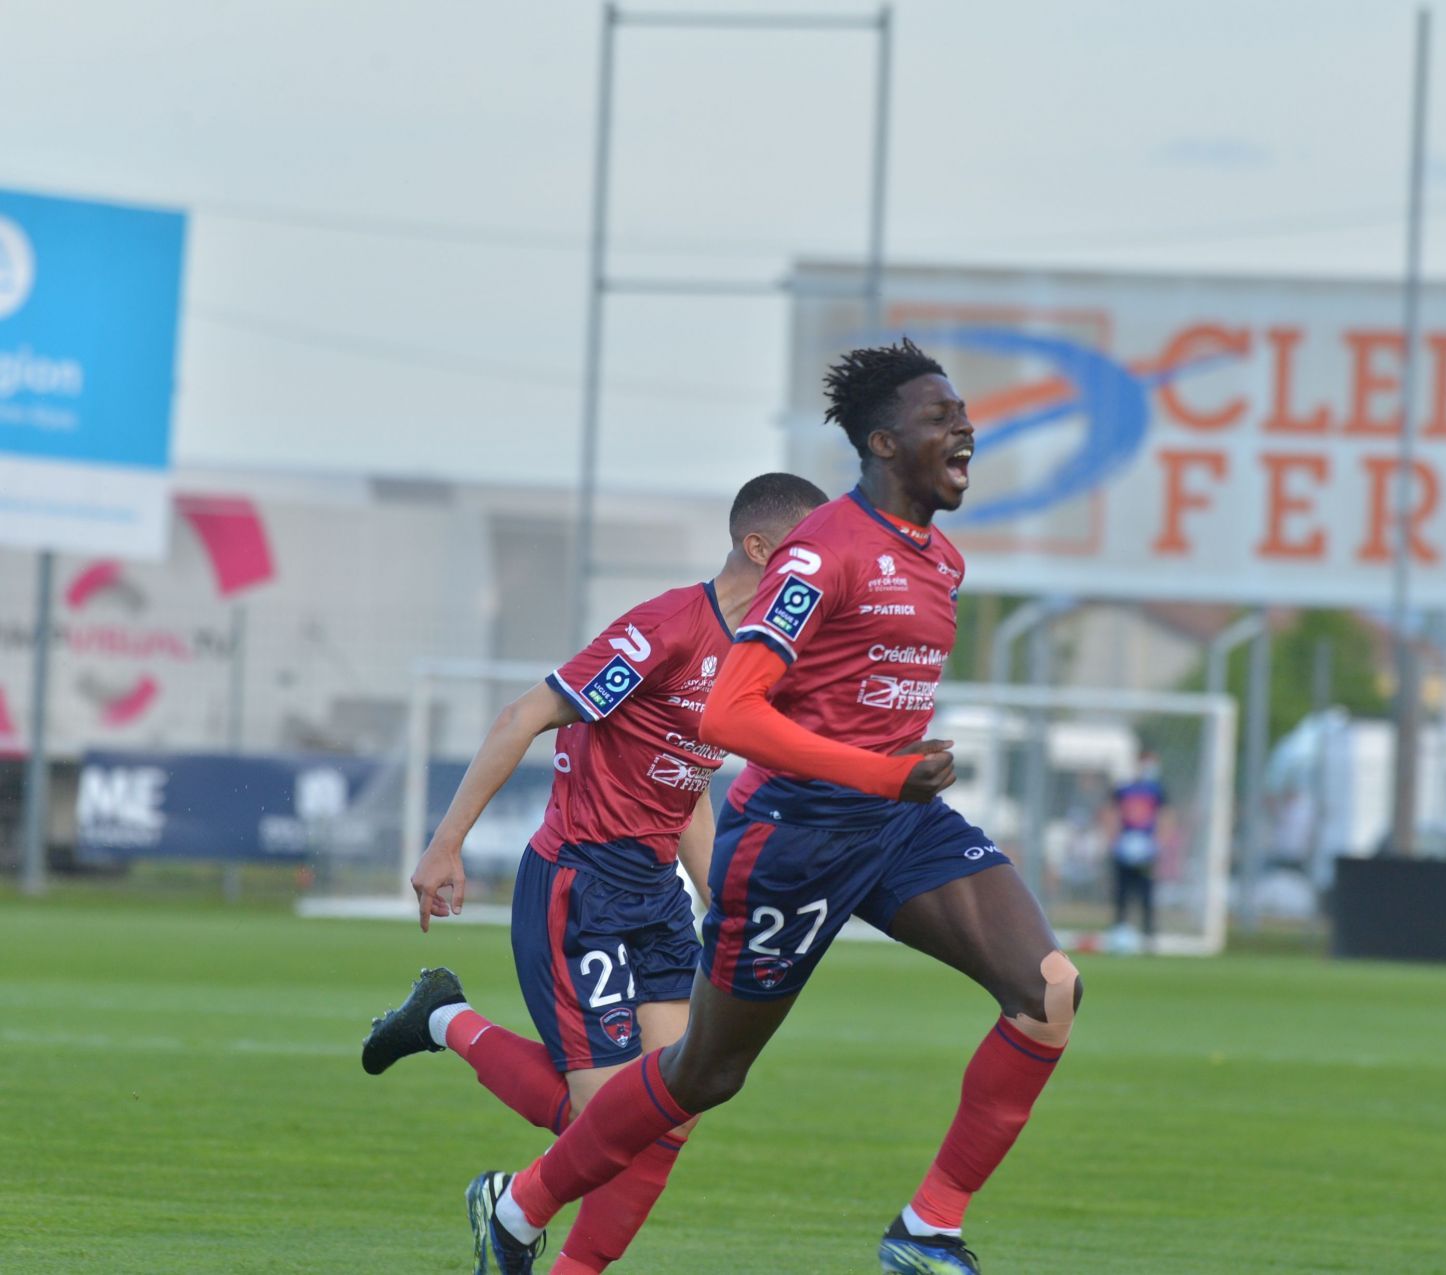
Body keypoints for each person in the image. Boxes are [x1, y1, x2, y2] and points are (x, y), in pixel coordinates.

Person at [461, 339, 1083, 1275]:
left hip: (898, 825)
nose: (965, 426)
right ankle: (520, 1205)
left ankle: (926, 1228)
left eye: (964, 413)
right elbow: (729, 710)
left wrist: (891, 777)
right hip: (796, 835)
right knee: (705, 1073)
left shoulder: (941, 560)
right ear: (882, 443)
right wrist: (879, 773)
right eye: (939, 415)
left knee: (1050, 992)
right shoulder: (821, 551)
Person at [362, 472, 827, 1275]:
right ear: (761, 548)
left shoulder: (756, 653)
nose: (826, 572)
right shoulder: (666, 630)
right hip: (580, 886)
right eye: (812, 553)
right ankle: (444, 1019)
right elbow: (525, 715)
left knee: (676, 1104)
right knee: (604, 1116)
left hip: (654, 895)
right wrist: (445, 843)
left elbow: (684, 785)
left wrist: (721, 893)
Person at [1105, 750, 1168, 948]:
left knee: (1146, 893)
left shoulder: (1158, 789)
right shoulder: (1124, 788)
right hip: (1125, 846)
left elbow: (1166, 817)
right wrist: (1114, 840)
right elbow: (1112, 813)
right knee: (1122, 893)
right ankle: (1120, 933)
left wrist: (1158, 843)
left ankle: (1148, 935)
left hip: (1146, 848)